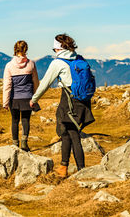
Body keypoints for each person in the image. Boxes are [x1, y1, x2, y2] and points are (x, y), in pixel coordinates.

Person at [30, 34, 95, 177]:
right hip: (82, 100)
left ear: (57, 48)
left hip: (69, 100)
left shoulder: (57, 63)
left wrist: (34, 99)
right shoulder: (78, 58)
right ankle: (63, 167)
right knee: (65, 132)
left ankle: (82, 171)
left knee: (73, 135)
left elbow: (45, 83)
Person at [3, 40, 39, 151]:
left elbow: (7, 85)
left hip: (14, 98)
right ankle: (24, 143)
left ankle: (15, 144)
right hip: (28, 97)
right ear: (26, 49)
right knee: (25, 120)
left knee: (14, 121)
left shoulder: (9, 66)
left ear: (15, 49)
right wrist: (35, 97)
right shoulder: (31, 64)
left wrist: (5, 102)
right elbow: (35, 82)